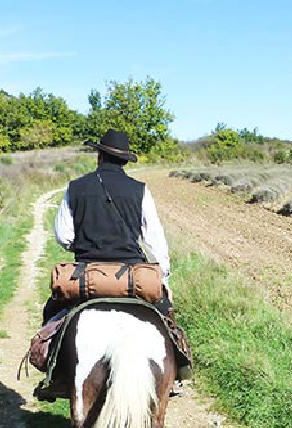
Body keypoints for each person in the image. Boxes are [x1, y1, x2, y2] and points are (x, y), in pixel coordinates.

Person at [39, 129, 191, 387]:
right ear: (124, 161)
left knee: (52, 313)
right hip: (132, 277)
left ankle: (54, 372)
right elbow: (155, 240)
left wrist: (85, 246)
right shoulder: (140, 190)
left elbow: (63, 236)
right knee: (167, 320)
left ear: (100, 156)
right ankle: (176, 375)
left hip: (86, 277)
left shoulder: (76, 188)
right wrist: (163, 278)